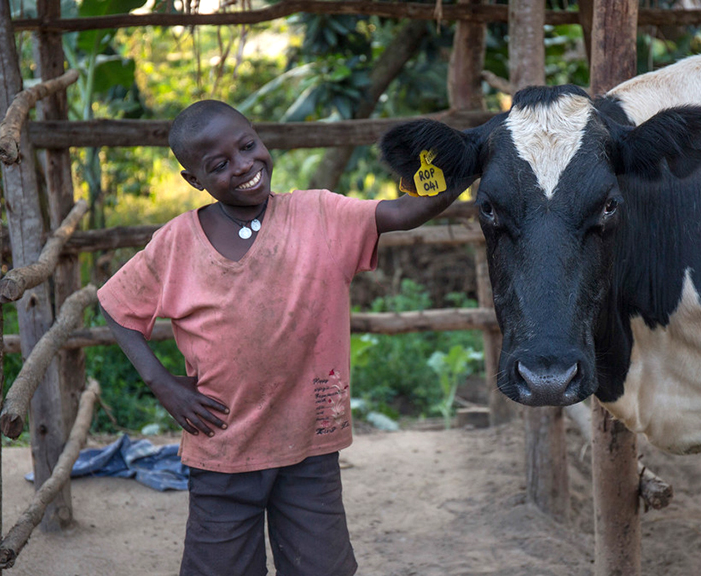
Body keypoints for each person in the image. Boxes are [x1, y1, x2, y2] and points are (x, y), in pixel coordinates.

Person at [97, 99, 473, 576]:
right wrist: (162, 384)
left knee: (321, 568)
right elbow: (116, 304)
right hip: (223, 452)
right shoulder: (176, 244)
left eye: (249, 146)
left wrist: (467, 160)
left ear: (260, 139)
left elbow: (404, 211)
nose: (244, 166)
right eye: (219, 165)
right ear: (195, 180)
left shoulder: (319, 215)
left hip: (309, 448)